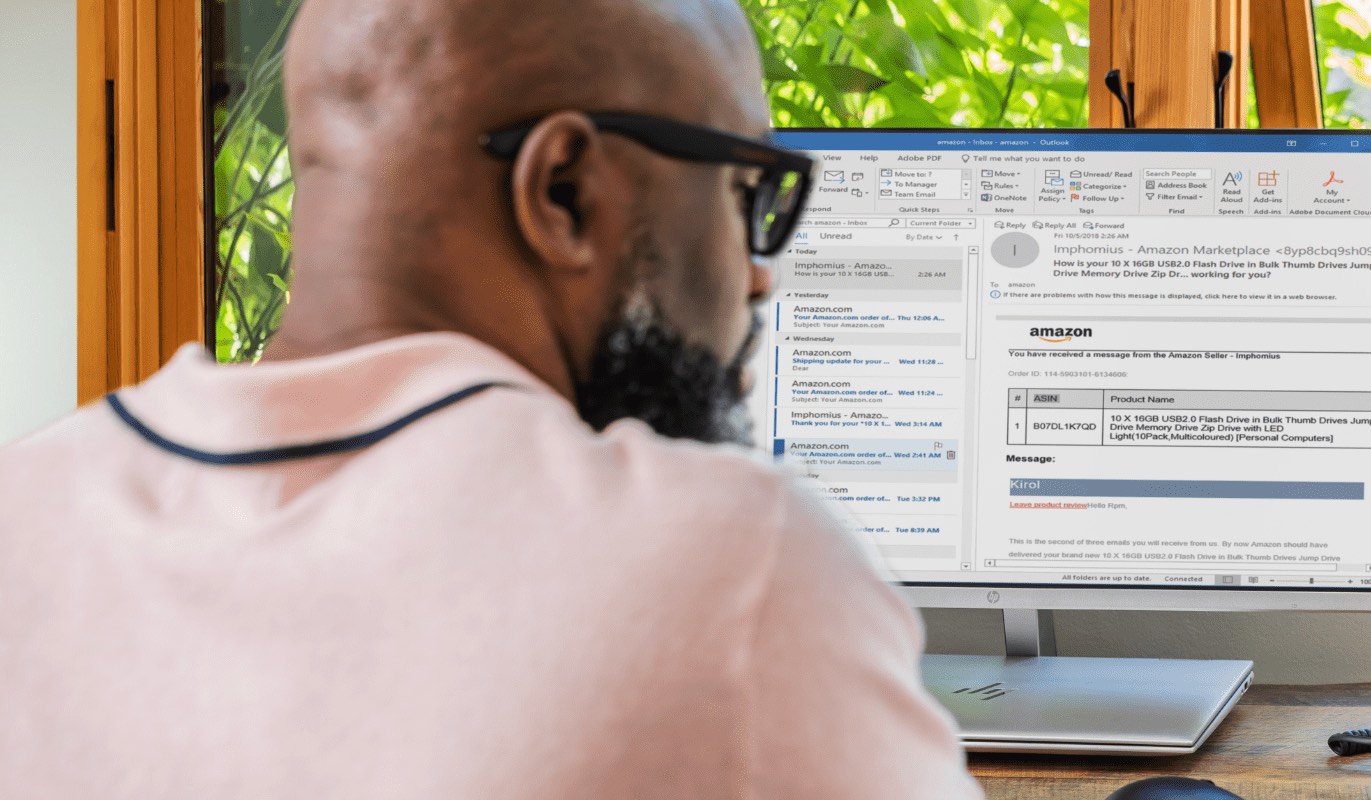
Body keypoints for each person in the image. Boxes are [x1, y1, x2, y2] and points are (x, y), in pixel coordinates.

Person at [0, 0, 983, 796]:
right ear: (562, 191)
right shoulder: (729, 561)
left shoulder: (25, 512)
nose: (759, 276)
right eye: (743, 193)